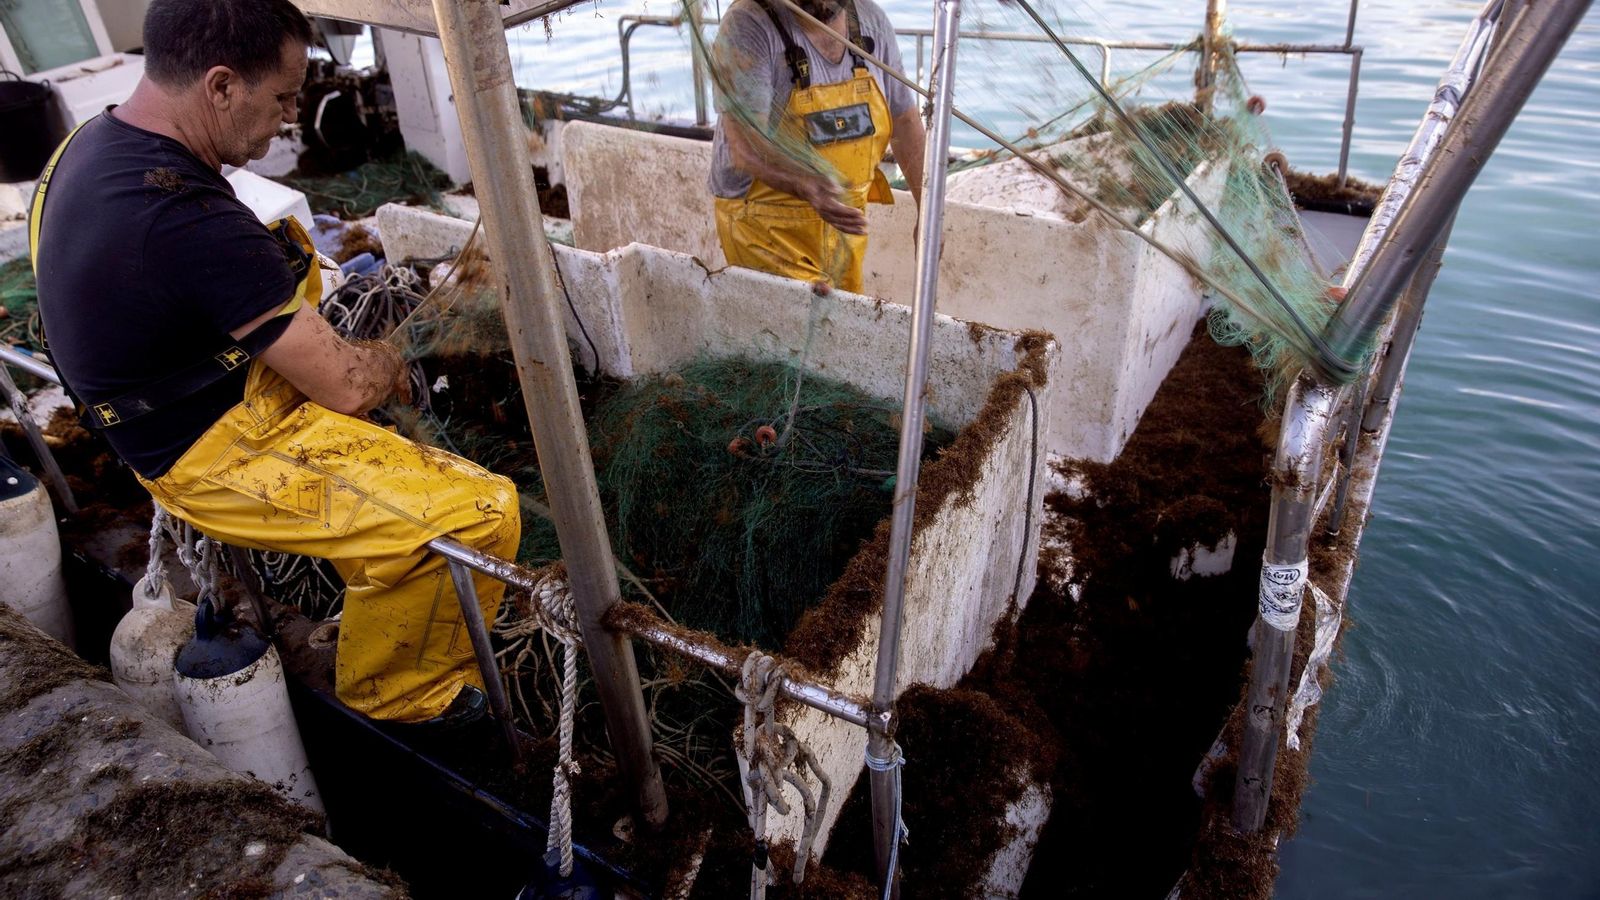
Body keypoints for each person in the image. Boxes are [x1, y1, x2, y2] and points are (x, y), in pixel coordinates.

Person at [30, 0, 519, 728]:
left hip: (145, 400)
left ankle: (380, 574)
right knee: (479, 513)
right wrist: (396, 361)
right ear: (222, 86)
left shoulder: (92, 143)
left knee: (289, 246)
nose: (291, 119)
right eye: (284, 97)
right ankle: (400, 697)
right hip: (209, 445)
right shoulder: (186, 219)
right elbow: (348, 388)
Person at [709, 0, 926, 293]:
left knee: (840, 326)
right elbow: (746, 148)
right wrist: (803, 184)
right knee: (795, 330)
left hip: (843, 227)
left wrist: (927, 211)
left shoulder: (871, 22)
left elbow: (905, 123)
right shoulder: (748, 25)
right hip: (763, 229)